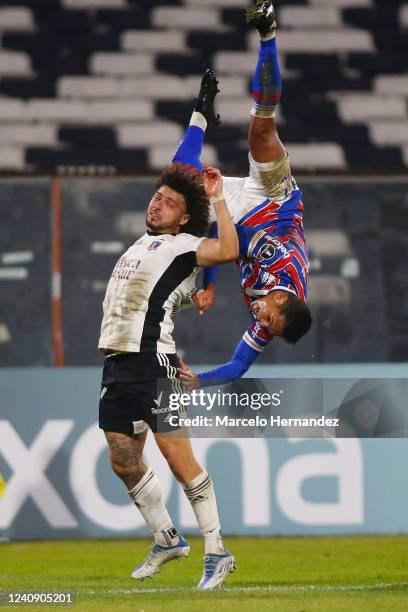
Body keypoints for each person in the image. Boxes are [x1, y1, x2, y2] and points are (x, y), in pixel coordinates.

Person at [98, 71, 237, 590]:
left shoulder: (184, 248)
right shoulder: (146, 241)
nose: (157, 202)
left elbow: (225, 249)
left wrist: (217, 196)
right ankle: (166, 537)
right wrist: (199, 116)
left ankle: (217, 551)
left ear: (185, 221)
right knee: (122, 457)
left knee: (180, 461)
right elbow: (181, 166)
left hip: (154, 363)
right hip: (116, 362)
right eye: (156, 196)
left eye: (169, 201)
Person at [178, 0, 312, 389]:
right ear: (282, 300)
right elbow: (230, 241)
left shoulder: (271, 319)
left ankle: (202, 114)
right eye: (268, 317)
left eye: (266, 325)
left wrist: (198, 380)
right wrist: (210, 282)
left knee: (179, 177)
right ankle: (268, 32)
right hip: (275, 201)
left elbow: (238, 367)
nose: (261, 321)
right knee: (261, 131)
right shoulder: (281, 266)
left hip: (238, 218)